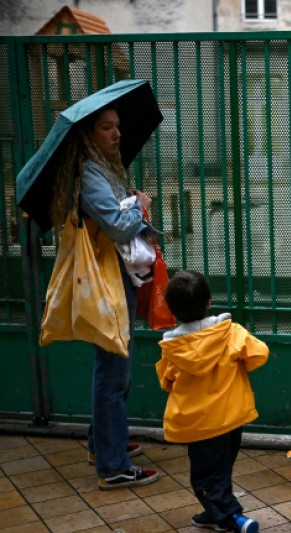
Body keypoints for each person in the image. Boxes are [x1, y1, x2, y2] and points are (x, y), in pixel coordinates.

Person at [47, 104, 159, 489]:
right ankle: (113, 466)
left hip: (112, 274)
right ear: (88, 135)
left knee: (111, 365)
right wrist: (140, 206)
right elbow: (118, 227)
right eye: (106, 127)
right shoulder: (92, 172)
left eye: (117, 126)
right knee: (114, 370)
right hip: (107, 278)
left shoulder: (102, 168)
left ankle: (103, 443)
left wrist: (127, 198)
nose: (117, 134)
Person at [157, 269, 269, 533]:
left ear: (172, 310)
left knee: (204, 477)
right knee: (221, 469)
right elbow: (260, 354)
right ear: (209, 302)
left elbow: (166, 381)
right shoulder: (231, 333)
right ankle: (214, 512)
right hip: (232, 417)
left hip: (200, 426)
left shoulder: (173, 349)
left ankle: (233, 519)